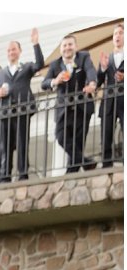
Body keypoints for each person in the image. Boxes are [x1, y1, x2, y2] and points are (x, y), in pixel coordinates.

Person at [0, 27, 46, 182]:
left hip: (22, 110)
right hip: (5, 113)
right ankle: (6, 174)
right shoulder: (0, 74)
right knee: (5, 144)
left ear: (19, 51)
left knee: (22, 143)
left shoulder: (26, 67)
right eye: (8, 50)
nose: (11, 52)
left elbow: (40, 64)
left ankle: (23, 173)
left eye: (13, 49)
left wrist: (36, 44)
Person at [41, 33, 98, 173]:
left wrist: (92, 83)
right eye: (65, 45)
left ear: (76, 46)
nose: (67, 48)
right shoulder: (55, 64)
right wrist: (55, 81)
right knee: (60, 136)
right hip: (63, 110)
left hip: (81, 107)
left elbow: (90, 70)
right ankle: (86, 162)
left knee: (78, 143)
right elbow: (44, 83)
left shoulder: (83, 57)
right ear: (61, 49)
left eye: (70, 44)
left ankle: (71, 173)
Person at [98, 25, 124, 168]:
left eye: (121, 33)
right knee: (106, 135)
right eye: (115, 33)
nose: (117, 36)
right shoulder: (107, 58)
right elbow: (98, 81)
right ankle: (106, 164)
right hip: (108, 102)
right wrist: (102, 68)